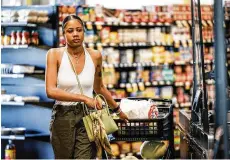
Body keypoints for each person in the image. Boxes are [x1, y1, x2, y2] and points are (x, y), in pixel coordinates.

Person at [45, 15, 128, 159]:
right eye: (70, 31)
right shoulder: (54, 55)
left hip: (88, 116)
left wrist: (118, 109)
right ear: (63, 33)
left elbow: (100, 87)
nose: (75, 34)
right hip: (63, 116)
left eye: (79, 30)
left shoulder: (95, 56)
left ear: (84, 31)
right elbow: (50, 91)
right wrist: (84, 98)